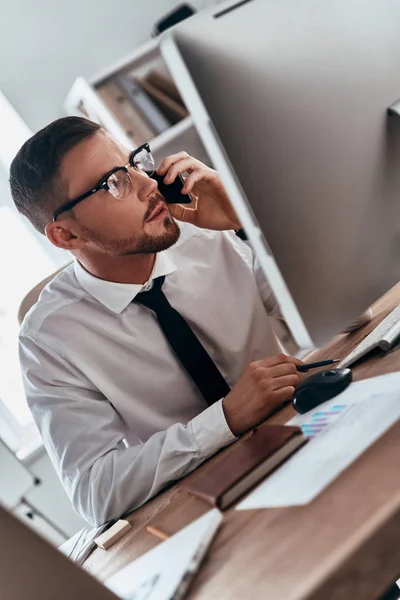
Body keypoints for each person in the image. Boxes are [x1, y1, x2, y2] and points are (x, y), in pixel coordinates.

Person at [10, 116, 303, 526]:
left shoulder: (209, 234)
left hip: (308, 429)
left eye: (135, 162)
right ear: (66, 237)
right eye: (115, 182)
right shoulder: (49, 339)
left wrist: (248, 222)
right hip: (210, 512)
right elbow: (96, 490)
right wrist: (225, 419)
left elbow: (347, 315)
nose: (148, 184)